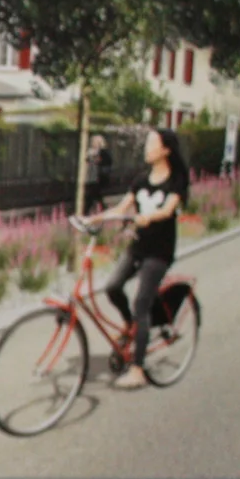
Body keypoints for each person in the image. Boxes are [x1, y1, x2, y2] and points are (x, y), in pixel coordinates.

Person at [87, 126, 189, 389]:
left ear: (166, 149)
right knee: (112, 287)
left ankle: (138, 370)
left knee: (142, 303)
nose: (146, 147)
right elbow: (122, 208)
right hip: (137, 247)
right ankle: (129, 325)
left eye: (152, 143)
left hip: (159, 252)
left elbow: (168, 210)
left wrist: (149, 216)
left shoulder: (175, 180)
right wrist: (93, 218)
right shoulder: (141, 179)